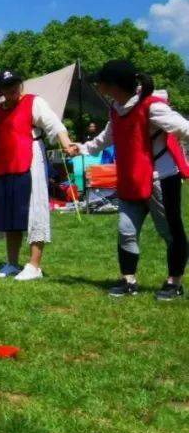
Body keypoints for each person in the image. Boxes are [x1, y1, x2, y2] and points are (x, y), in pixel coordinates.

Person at [74, 60, 189, 300]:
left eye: (102, 83)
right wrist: (82, 148)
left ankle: (174, 283)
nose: (99, 86)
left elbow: (183, 128)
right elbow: (106, 138)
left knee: (170, 231)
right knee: (126, 230)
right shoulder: (116, 109)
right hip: (130, 178)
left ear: (113, 85)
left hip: (161, 178)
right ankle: (128, 280)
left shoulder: (151, 107)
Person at [0, 70, 75, 281]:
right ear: (0, 91)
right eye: (7, 87)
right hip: (4, 165)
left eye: (15, 84)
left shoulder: (33, 102)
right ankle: (12, 262)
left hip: (30, 161)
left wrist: (66, 143)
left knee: (33, 209)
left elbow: (53, 124)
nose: (12, 89)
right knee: (10, 212)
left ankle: (34, 265)